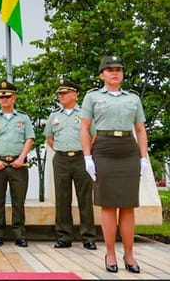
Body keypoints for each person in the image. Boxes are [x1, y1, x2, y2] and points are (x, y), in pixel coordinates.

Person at [80, 56, 149, 274]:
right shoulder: (92, 97)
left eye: (118, 69)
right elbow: (84, 128)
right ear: (102, 75)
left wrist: (143, 157)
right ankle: (110, 253)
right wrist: (87, 157)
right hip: (104, 149)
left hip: (128, 149)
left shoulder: (133, 99)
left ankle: (129, 254)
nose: (115, 73)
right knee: (108, 204)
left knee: (128, 205)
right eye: (109, 70)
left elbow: (140, 129)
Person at [44, 79, 97, 250]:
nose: (61, 96)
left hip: (81, 158)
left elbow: (94, 135)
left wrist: (86, 150)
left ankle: (88, 237)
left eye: (65, 93)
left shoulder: (84, 114)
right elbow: (49, 138)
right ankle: (64, 237)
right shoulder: (54, 116)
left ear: (75, 94)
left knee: (85, 199)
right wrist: (61, 150)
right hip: (61, 159)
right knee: (62, 199)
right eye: (59, 93)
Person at [0, 81, 34, 248]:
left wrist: (21, 158)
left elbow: (29, 139)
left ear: (14, 97)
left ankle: (19, 235)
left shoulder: (23, 118)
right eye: (1, 96)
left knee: (18, 202)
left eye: (8, 96)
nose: (4, 99)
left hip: (19, 165)